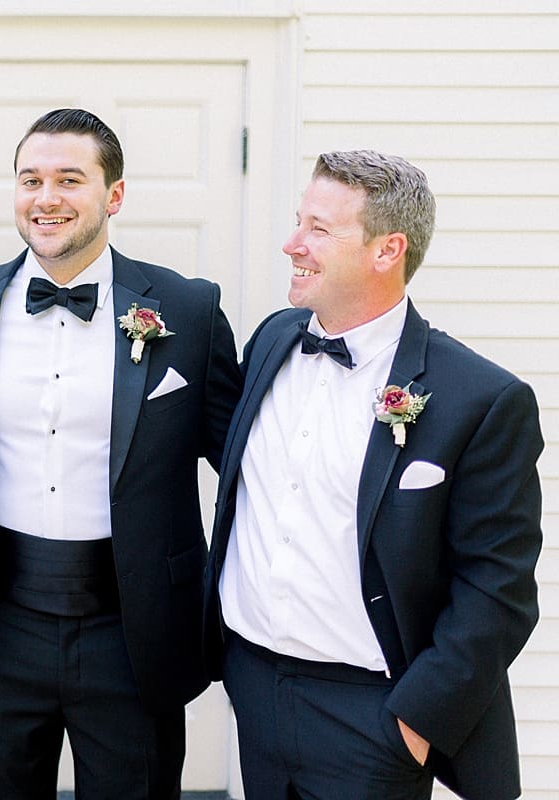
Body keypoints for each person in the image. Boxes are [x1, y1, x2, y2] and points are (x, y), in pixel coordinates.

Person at [0, 108, 241, 799]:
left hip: (135, 629)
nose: (46, 197)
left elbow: (246, 466)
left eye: (69, 179)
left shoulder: (189, 309)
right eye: (31, 179)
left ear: (112, 195)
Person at [204, 150, 543, 800]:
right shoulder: (273, 340)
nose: (291, 244)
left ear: (387, 250)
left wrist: (412, 726)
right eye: (298, 220)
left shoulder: (479, 398)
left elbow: (497, 592)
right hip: (255, 687)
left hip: (374, 717)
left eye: (318, 230)